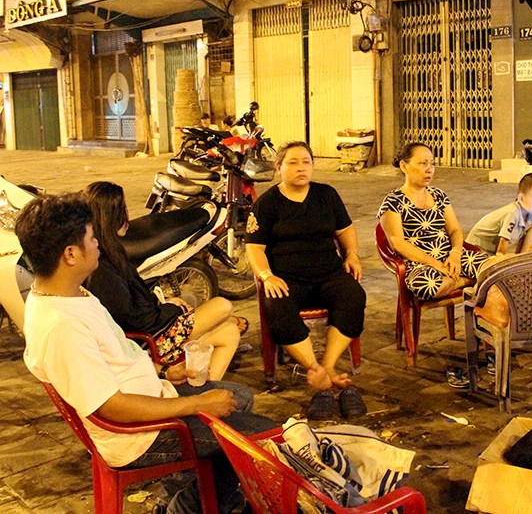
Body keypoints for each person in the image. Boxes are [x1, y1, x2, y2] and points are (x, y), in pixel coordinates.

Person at [18, 193, 277, 514]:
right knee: (266, 437)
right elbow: (111, 406)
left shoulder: (69, 294)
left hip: (151, 394)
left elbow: (117, 353)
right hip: (139, 436)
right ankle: (190, 505)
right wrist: (197, 404)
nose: (98, 244)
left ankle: (197, 495)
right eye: (92, 238)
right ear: (71, 254)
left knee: (240, 398)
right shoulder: (61, 326)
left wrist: (164, 372)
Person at [245, 141, 367, 418]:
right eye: (293, 162)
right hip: (288, 278)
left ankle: (328, 367)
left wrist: (352, 255)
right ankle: (314, 368)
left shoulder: (326, 195)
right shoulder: (267, 204)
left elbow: (345, 229)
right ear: (279, 168)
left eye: (306, 162)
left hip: (329, 273)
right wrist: (267, 276)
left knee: (353, 296)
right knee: (277, 305)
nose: (301, 168)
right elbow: (254, 248)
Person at [83, 182, 241, 382]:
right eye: (122, 210)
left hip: (152, 329)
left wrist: (163, 303)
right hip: (149, 342)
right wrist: (172, 309)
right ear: (108, 217)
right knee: (222, 306)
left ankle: (203, 388)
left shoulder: (113, 251)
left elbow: (136, 300)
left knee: (229, 332)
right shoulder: (101, 269)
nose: (127, 216)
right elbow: (136, 319)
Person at [378, 142, 491, 301]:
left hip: (449, 257)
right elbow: (398, 243)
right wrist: (435, 264)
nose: (429, 169)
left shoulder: (439, 195)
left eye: (432, 164)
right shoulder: (393, 201)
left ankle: (459, 281)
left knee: (494, 268)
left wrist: (455, 254)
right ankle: (467, 281)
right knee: (428, 286)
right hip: (420, 264)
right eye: (422, 164)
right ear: (404, 166)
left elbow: (455, 230)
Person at [466, 172, 532, 255]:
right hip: (475, 249)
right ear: (521, 198)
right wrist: (502, 259)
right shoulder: (512, 213)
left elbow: (521, 240)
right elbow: (503, 243)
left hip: (489, 251)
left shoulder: (530, 216)